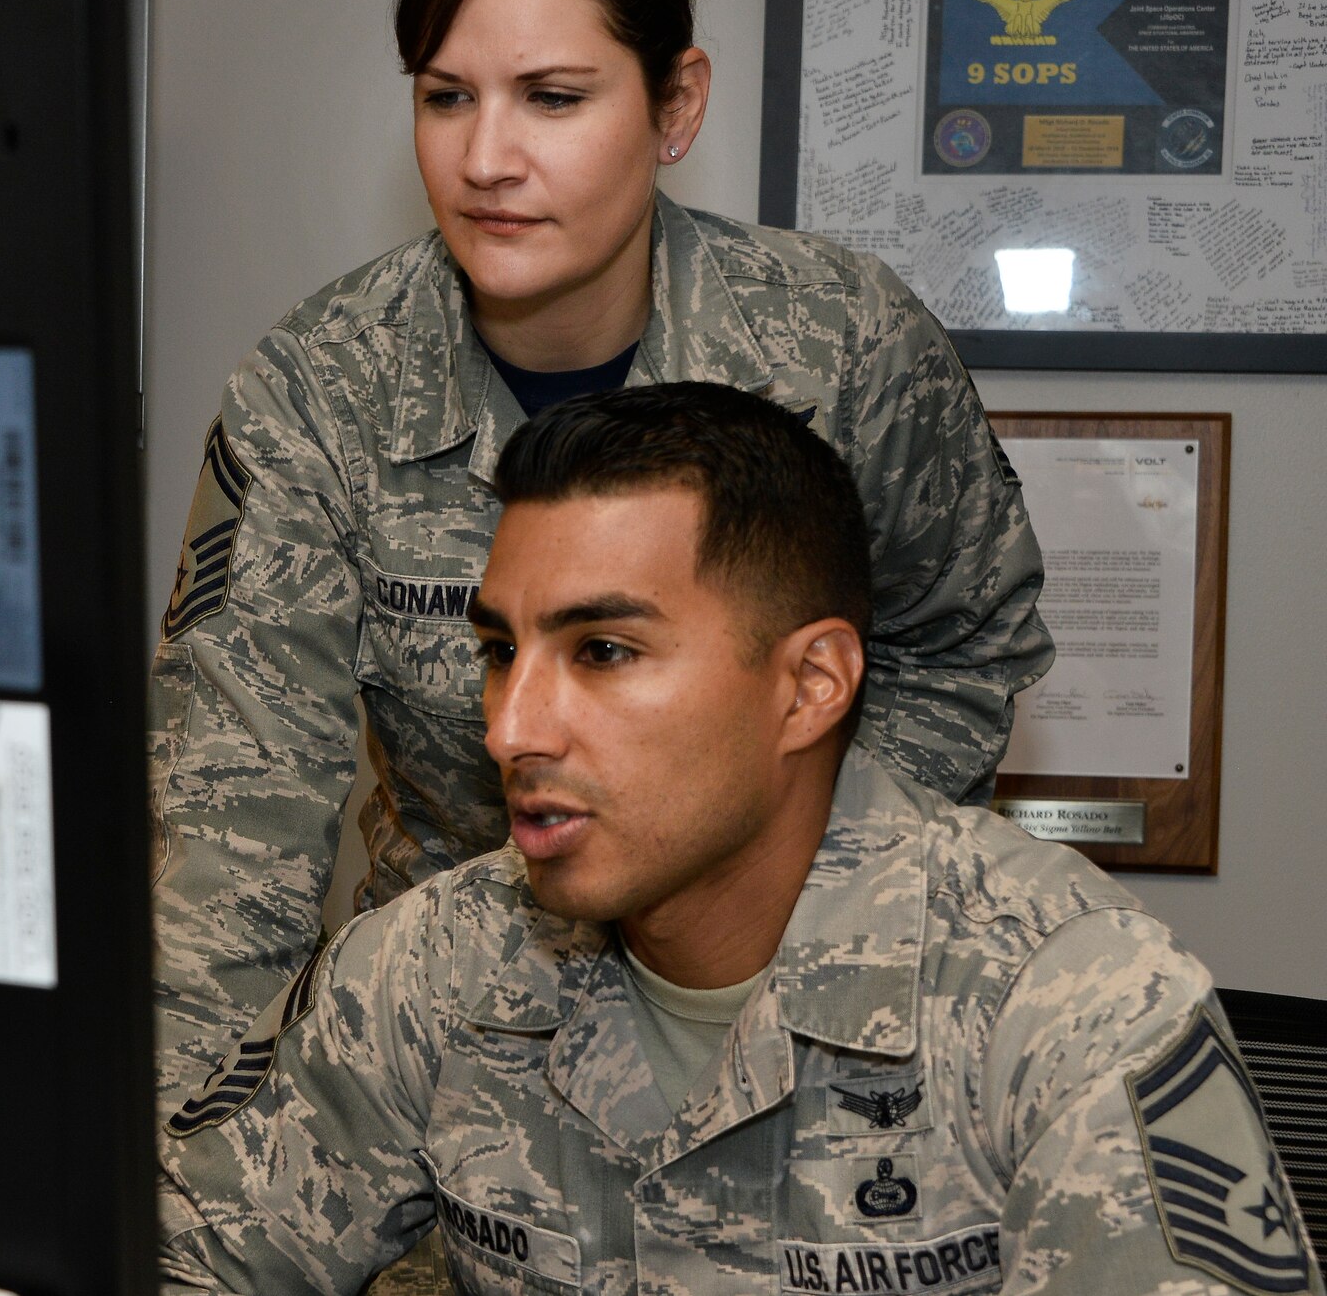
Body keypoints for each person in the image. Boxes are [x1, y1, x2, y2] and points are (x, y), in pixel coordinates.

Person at [157, 385, 1321, 1296]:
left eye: (602, 651)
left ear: (808, 685)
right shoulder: (434, 965)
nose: (509, 727)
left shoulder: (1066, 1002)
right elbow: (186, 1260)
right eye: (500, 649)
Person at [150, 0, 1054, 1114]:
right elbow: (229, 816)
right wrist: (186, 1156)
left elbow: (958, 648)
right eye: (445, 96)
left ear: (673, 106)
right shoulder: (322, 392)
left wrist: (785, 903)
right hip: (459, 1041)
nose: (485, 159)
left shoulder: (840, 349)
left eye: (553, 97)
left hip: (795, 1026)